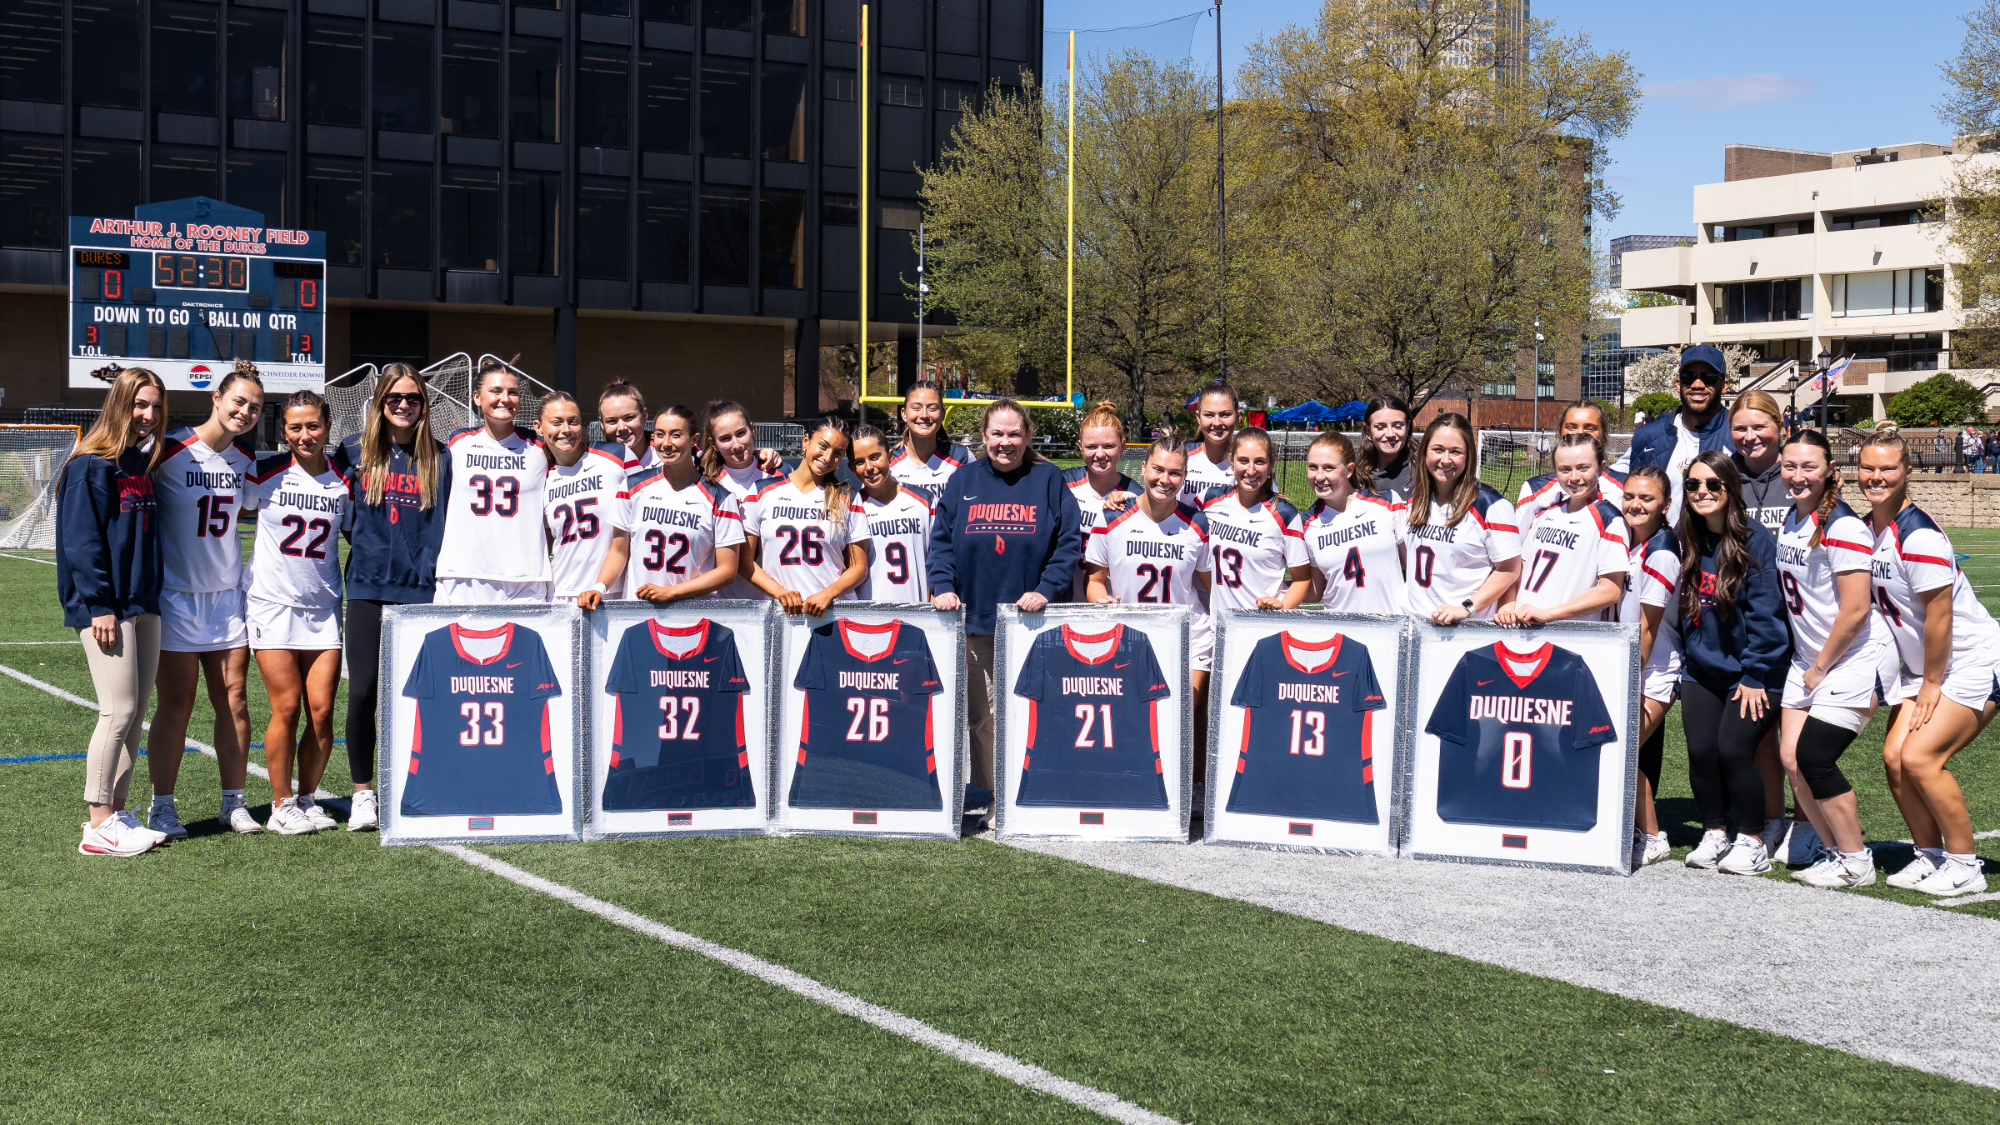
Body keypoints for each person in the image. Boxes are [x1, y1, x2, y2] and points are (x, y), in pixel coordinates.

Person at [1860, 423, 2000, 896]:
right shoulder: (1866, 529)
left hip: (1970, 661)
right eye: (1868, 468)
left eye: (1888, 469)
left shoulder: (1917, 535)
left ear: (1906, 472)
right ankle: (1930, 855)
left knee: (1920, 757)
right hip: (1927, 669)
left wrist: (1932, 684)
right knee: (1894, 758)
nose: (1876, 477)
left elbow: (1940, 618)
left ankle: (1965, 864)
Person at [929, 400, 1082, 804]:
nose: (1005, 442)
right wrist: (942, 585)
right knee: (983, 719)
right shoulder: (963, 481)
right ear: (983, 436)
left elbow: (1067, 545)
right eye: (997, 433)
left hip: (1033, 623)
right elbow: (941, 542)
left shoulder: (1048, 479)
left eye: (1014, 433)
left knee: (1036, 713)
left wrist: (1045, 589)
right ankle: (988, 794)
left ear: (1028, 436)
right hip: (977, 620)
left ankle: (1036, 796)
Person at [1772, 430, 1899, 887]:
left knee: (1815, 757)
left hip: (1850, 659)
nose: (1798, 475)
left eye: (1809, 467)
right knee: (1790, 759)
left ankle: (1855, 859)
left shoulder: (1842, 526)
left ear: (1830, 472)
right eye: (1791, 466)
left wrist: (1821, 666)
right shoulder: (1792, 518)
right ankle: (1833, 850)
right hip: (1808, 659)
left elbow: (1856, 608)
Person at [145, 362, 263, 838]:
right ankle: (162, 805)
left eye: (255, 407)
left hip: (227, 600)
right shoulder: (168, 450)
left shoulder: (246, 462)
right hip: (175, 599)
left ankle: (233, 803)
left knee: (234, 701)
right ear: (217, 398)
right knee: (177, 703)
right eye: (238, 402)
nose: (246, 412)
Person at [331, 364, 450, 832]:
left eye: (413, 399)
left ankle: (412, 780)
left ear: (424, 406)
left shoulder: (442, 458)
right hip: (367, 589)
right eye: (395, 398)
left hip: (421, 593)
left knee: (418, 697)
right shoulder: (353, 453)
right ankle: (363, 792)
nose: (404, 405)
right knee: (361, 692)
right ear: (379, 402)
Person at [60, 367, 170, 856]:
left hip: (144, 603)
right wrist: (99, 605)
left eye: (155, 406)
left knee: (135, 714)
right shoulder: (92, 464)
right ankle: (97, 823)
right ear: (119, 404)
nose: (148, 415)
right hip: (108, 609)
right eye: (139, 404)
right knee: (118, 710)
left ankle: (119, 813)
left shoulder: (137, 462)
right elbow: (82, 543)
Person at [241, 390, 352, 834]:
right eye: (295, 427)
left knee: (322, 711)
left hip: (324, 607)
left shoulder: (344, 479)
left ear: (326, 427)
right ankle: (280, 803)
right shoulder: (262, 472)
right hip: (272, 604)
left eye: (313, 426)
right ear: (283, 431)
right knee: (286, 707)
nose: (305, 435)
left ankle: (307, 798)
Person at [1676, 452, 1791, 875]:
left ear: (1730, 489)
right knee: (1701, 751)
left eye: (1712, 485)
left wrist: (1755, 673)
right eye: (1693, 485)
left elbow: (1768, 617)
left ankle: (1754, 838)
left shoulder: (1755, 541)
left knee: (1733, 749)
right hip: (1702, 669)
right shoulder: (1686, 536)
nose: (1702, 492)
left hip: (1753, 673)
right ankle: (1714, 831)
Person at [1084, 432, 1214, 766]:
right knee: (1135, 719)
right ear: (1143, 468)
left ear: (1185, 477)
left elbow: (1211, 587)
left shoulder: (1196, 523)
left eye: (1175, 473)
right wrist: (1101, 602)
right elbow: (1095, 582)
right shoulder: (1112, 517)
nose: (1165, 480)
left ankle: (1188, 792)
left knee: (1181, 712)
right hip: (1131, 639)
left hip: (1188, 637)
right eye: (1158, 469)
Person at [435, 359, 553, 603]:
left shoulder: (540, 449)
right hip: (463, 575)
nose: (505, 399)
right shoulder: (458, 444)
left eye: (513, 393)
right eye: (496, 391)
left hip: (525, 578)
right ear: (477, 397)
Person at [741, 416, 870, 615]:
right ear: (806, 441)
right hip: (781, 614)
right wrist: (780, 593)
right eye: (823, 446)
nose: (827, 458)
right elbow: (744, 561)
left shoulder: (847, 497)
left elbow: (859, 567)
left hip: (832, 614)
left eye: (837, 453)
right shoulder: (761, 491)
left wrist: (828, 594)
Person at [621, 404, 746, 605]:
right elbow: (617, 552)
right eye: (660, 435)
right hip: (639, 610)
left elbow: (727, 571)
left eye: (676, 435)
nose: (666, 443)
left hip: (693, 613)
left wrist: (671, 593)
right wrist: (600, 587)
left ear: (693, 440)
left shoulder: (721, 497)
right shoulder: (632, 486)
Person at [1403, 413, 1522, 623]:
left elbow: (1510, 570)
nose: (1445, 459)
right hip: (1415, 626)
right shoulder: (1416, 499)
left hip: (1462, 631)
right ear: (1424, 452)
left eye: (1456, 452)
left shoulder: (1491, 505)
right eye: (1438, 450)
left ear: (1469, 456)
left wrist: (1467, 608)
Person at [1498, 433, 1627, 626]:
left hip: (1566, 635)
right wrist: (1508, 605)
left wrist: (1549, 614)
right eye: (1565, 470)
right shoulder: (1545, 512)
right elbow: (1518, 570)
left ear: (1601, 468)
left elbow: (1611, 591)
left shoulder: (1610, 519)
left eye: (1583, 468)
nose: (1574, 477)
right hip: (1522, 628)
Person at [1618, 465, 1680, 865]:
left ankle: (1652, 837)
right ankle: (1636, 830)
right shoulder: (1628, 542)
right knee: (1625, 750)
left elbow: (1648, 626)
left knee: (1626, 748)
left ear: (1666, 505)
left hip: (1655, 670)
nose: (1635, 505)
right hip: (1628, 663)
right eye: (1630, 496)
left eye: (1647, 498)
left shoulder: (1661, 550)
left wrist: (1629, 676)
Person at [1613, 343, 1734, 524]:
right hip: (1661, 547)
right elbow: (1616, 485)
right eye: (1688, 377)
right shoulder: (1647, 436)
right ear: (1678, 384)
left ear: (1724, 385)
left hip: (1718, 549)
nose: (1698, 384)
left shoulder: (1739, 436)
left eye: (1708, 378)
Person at [1206, 428, 1313, 613]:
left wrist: (1282, 607)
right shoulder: (1211, 501)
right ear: (1231, 460)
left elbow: (1302, 579)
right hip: (1220, 626)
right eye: (1243, 461)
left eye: (1260, 462)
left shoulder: (1285, 514)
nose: (1251, 470)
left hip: (1262, 625)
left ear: (1271, 464)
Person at [541, 392, 634, 605]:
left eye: (573, 421)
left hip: (612, 591)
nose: (566, 430)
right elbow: (546, 540)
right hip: (560, 593)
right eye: (557, 422)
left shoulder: (617, 455)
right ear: (539, 427)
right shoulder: (542, 476)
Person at [1294, 432, 1401, 613]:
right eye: (1313, 467)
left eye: (1329, 468)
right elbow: (1314, 591)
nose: (1319, 476)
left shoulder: (1387, 503)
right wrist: (1268, 586)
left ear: (1349, 470)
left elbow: (1411, 565)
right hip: (1340, 631)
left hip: (1391, 626)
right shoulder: (1307, 524)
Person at [1062, 401, 1139, 600]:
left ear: (1122, 445)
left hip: (1111, 601)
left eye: (1108, 446)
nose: (1100, 454)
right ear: (1080, 446)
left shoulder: (1136, 496)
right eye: (1091, 446)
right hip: (1065, 598)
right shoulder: (1062, 485)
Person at [1514, 399, 1627, 533]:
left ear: (1603, 436)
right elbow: (1518, 544)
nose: (1579, 433)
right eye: (1571, 427)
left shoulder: (1625, 488)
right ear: (1560, 433)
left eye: (1590, 428)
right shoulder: (1533, 489)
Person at [851, 424, 933, 603]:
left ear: (889, 456)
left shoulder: (925, 501)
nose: (869, 467)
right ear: (851, 467)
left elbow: (938, 561)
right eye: (859, 462)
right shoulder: (851, 509)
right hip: (872, 620)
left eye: (875, 457)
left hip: (919, 616)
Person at [889, 381, 974, 506]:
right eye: (916, 408)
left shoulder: (962, 458)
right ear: (904, 414)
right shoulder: (888, 462)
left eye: (932, 408)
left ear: (942, 415)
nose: (924, 415)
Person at [1730, 391, 1791, 533]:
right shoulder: (1720, 479)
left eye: (1759, 427)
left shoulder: (1802, 477)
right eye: (1740, 429)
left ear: (1780, 426)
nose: (1750, 437)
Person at [1180, 383, 1241, 505]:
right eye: (1209, 415)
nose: (1217, 422)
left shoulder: (1251, 463)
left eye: (1225, 414)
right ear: (1198, 417)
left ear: (1238, 416)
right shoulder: (1179, 456)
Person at [1356, 394, 1416, 502]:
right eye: (1380, 427)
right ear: (1368, 430)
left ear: (1407, 426)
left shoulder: (1424, 470)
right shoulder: (1355, 477)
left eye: (1398, 426)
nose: (1390, 434)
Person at [599, 381, 656, 479]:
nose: (622, 428)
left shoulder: (665, 454)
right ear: (602, 424)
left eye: (629, 418)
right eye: (612, 421)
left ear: (644, 416)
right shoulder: (596, 464)